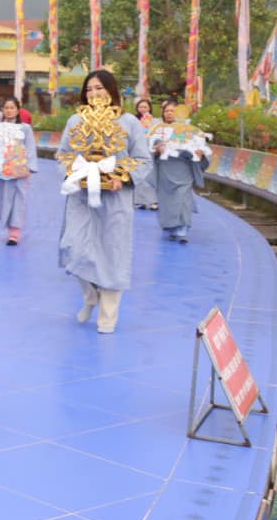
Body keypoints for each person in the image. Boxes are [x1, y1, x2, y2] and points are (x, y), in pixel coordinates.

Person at [59, 69, 151, 334]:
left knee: (112, 254)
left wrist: (123, 176)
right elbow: (63, 154)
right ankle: (91, 296)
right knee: (73, 248)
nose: (94, 94)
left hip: (115, 200)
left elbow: (143, 160)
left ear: (111, 90)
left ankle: (108, 317)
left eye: (99, 88)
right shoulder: (76, 120)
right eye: (89, 89)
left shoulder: (128, 122)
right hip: (81, 197)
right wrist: (74, 172)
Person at [153, 102, 209, 244]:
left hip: (184, 169)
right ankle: (171, 228)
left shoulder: (193, 131)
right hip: (166, 170)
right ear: (163, 113)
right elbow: (150, 149)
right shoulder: (159, 131)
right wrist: (157, 150)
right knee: (167, 201)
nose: (170, 113)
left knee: (184, 199)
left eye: (173, 111)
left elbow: (203, 149)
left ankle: (182, 230)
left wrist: (201, 154)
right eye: (167, 111)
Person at [0, 97, 38, 246]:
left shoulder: (25, 128)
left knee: (18, 199)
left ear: (17, 110)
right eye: (6, 107)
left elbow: (30, 147)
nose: (9, 110)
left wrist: (29, 167)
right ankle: (7, 224)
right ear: (2, 110)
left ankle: (14, 233)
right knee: (2, 198)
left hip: (19, 171)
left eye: (12, 107)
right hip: (1, 171)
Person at [132, 98, 160, 211]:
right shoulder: (133, 120)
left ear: (150, 108)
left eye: (145, 107)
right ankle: (140, 201)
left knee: (151, 176)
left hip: (151, 152)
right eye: (140, 107)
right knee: (139, 176)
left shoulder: (155, 122)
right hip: (137, 152)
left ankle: (153, 201)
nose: (143, 109)